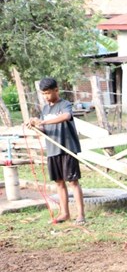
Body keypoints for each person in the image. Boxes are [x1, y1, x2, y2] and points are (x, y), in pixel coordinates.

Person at [26, 77, 85, 225]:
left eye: (48, 93)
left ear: (56, 90)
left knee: (73, 181)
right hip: (53, 150)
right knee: (59, 183)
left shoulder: (64, 104)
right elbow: (44, 130)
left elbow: (66, 116)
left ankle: (81, 215)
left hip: (67, 148)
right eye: (43, 94)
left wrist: (43, 121)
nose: (46, 96)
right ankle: (65, 213)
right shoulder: (45, 109)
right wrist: (35, 126)